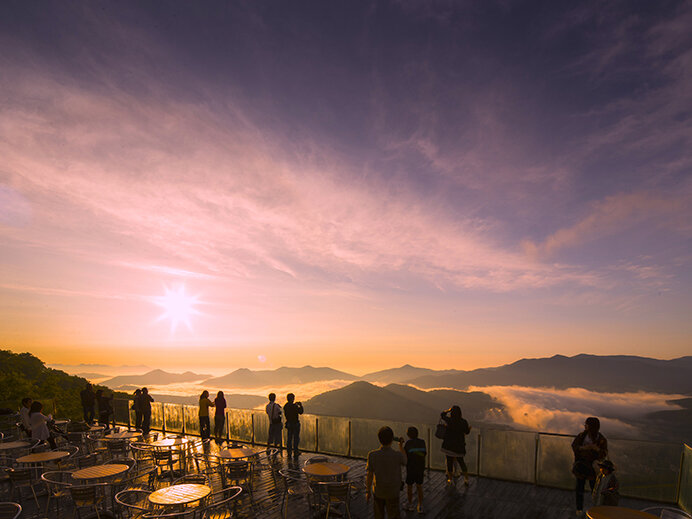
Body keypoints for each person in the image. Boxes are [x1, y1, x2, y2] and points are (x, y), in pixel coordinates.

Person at [366, 426, 407, 519]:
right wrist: (401, 447)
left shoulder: (372, 455)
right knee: (394, 515)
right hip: (393, 492)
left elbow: (369, 475)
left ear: (379, 439)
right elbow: (405, 461)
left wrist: (368, 491)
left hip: (378, 491)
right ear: (392, 439)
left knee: (378, 515)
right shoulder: (397, 455)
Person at [572, 416, 608, 516]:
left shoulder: (601, 440)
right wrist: (585, 448)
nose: (585, 426)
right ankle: (579, 509)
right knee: (580, 488)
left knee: (595, 490)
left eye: (586, 424)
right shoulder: (582, 436)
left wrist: (596, 450)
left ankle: (595, 510)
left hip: (592, 468)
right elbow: (574, 446)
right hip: (582, 466)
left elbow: (604, 453)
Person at [440, 405, 471, 486]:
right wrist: (469, 429)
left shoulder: (449, 420)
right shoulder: (464, 422)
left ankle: (450, 479)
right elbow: (467, 432)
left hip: (448, 446)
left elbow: (442, 415)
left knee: (449, 463)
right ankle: (466, 479)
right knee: (461, 462)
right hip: (459, 446)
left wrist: (448, 410)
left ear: (452, 412)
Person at [404, 426, 427, 513]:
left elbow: (405, 456)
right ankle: (420, 505)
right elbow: (423, 454)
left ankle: (410, 504)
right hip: (420, 468)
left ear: (408, 435)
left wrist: (401, 447)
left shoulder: (408, 443)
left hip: (411, 468)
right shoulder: (422, 442)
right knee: (419, 486)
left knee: (409, 486)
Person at [283, 393, 304, 459]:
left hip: (289, 424)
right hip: (295, 424)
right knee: (296, 438)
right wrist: (300, 405)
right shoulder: (294, 406)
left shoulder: (285, 406)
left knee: (289, 438)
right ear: (292, 399)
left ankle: (289, 452)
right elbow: (301, 412)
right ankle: (295, 451)